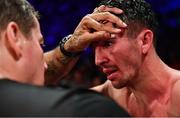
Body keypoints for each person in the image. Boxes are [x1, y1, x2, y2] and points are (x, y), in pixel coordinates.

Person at [46, 0, 180, 117]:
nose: (98, 61)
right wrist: (69, 46)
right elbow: (35, 96)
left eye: (107, 43)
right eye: (93, 48)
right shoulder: (115, 94)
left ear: (144, 41)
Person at [0, 0, 130, 116]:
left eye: (107, 44)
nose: (45, 66)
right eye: (41, 45)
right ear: (14, 35)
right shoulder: (90, 109)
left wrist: (68, 47)